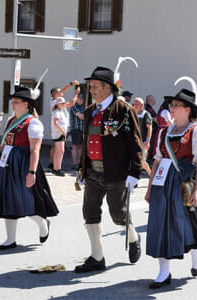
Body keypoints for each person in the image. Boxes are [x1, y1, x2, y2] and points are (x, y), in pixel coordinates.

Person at [74, 66, 142, 273]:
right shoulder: (89, 112)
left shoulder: (123, 110)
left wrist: (135, 172)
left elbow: (135, 143)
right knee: (90, 212)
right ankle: (97, 257)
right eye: (90, 86)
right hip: (92, 172)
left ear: (108, 88)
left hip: (116, 172)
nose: (91, 90)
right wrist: (81, 171)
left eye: (94, 86)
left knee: (118, 214)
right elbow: (86, 143)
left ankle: (133, 236)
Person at [146, 88, 197, 289]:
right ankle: (163, 272)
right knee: (159, 225)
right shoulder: (164, 131)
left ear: (188, 109)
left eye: (176, 105)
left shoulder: (196, 131)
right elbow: (156, 162)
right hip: (161, 183)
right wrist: (149, 188)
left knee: (185, 224)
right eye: (171, 105)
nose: (171, 108)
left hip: (182, 183)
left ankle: (196, 251)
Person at [0, 86, 58, 250]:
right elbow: (6, 143)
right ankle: (10, 239)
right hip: (7, 165)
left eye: (16, 102)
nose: (13, 104)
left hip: (23, 166)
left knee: (26, 201)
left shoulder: (33, 123)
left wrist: (31, 172)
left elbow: (35, 150)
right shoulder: (11, 120)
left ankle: (42, 223)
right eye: (12, 101)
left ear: (26, 104)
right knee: (7, 199)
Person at [48, 81, 80, 170]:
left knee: (55, 148)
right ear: (55, 94)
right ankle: (55, 167)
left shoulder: (56, 100)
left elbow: (63, 91)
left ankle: (53, 164)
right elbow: (71, 103)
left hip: (58, 129)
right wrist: (76, 94)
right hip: (59, 129)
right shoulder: (56, 102)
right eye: (59, 91)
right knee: (59, 150)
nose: (61, 92)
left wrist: (70, 84)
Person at [133, 97, 152, 176]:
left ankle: (151, 176)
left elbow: (149, 128)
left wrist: (148, 141)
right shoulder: (132, 113)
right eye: (134, 104)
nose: (135, 106)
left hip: (143, 141)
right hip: (134, 141)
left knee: (142, 161)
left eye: (137, 104)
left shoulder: (146, 114)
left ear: (142, 106)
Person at [70, 93, 85, 170]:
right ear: (76, 99)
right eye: (79, 98)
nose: (81, 100)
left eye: (82, 99)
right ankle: (74, 163)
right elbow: (81, 116)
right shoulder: (73, 106)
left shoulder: (83, 107)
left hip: (82, 129)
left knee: (81, 146)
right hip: (76, 129)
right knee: (75, 146)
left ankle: (79, 163)